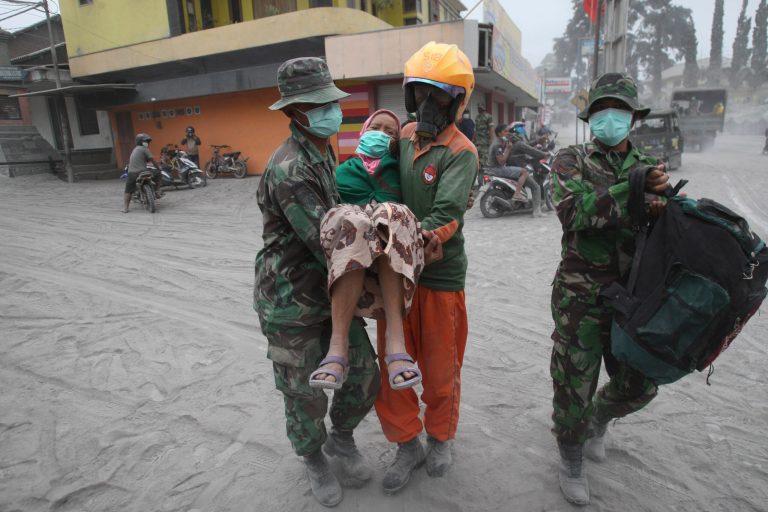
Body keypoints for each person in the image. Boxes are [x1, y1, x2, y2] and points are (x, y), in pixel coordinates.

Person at [253, 57, 380, 508]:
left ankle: (341, 439)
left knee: (365, 376)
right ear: (296, 111)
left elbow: (340, 214)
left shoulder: (323, 149)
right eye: (321, 104)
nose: (333, 111)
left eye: (332, 102)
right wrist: (386, 256)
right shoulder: (290, 168)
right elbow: (326, 241)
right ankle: (313, 457)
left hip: (332, 292)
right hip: (291, 298)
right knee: (304, 392)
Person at [549, 72, 670, 506]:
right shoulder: (570, 159)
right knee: (572, 383)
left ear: (632, 117)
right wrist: (635, 190)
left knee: (640, 383)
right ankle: (571, 456)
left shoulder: (651, 164)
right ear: (590, 117)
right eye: (600, 110)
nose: (608, 118)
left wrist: (660, 200)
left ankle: (599, 418)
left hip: (635, 296)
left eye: (617, 110)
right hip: (579, 297)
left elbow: (662, 225)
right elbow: (573, 212)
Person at [374, 41, 478, 495]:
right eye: (422, 93)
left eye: (441, 95)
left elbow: (447, 215)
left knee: (440, 367)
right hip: (393, 277)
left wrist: (417, 238)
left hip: (438, 277)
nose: (430, 104)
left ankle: (439, 438)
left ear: (457, 101)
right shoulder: (400, 139)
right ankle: (405, 443)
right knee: (392, 365)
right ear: (411, 97)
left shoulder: (461, 150)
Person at [309, 109, 432, 392]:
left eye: (390, 132)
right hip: (351, 254)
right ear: (363, 132)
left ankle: (395, 341)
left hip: (390, 254)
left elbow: (426, 203)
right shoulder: (341, 171)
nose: (381, 133)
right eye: (375, 127)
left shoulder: (404, 172)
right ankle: (337, 347)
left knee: (394, 212)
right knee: (353, 219)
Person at [487, 123, 544, 216]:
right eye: (505, 131)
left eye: (509, 131)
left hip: (495, 168)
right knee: (524, 172)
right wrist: (508, 149)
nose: (508, 133)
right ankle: (517, 194)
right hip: (497, 168)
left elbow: (526, 146)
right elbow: (501, 161)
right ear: (499, 133)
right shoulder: (498, 145)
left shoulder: (503, 142)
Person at [122, 133, 162, 213]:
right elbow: (152, 160)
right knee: (158, 173)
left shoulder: (135, 149)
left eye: (147, 141)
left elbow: (142, 160)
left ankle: (125, 208)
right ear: (140, 142)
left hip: (132, 173)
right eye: (145, 141)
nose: (147, 142)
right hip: (143, 171)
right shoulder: (144, 149)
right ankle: (157, 191)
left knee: (128, 190)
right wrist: (158, 168)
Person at [474, 103, 493, 170]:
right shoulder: (477, 117)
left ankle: (484, 170)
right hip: (477, 140)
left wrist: (491, 139)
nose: (479, 109)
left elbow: (491, 128)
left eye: (480, 107)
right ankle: (478, 168)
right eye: (478, 107)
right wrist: (472, 139)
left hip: (485, 140)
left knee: (484, 156)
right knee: (477, 155)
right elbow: (475, 129)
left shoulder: (488, 116)